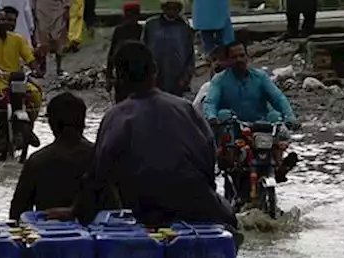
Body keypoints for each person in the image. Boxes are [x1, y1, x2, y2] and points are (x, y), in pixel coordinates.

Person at [83, 40, 235, 228]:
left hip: (146, 211)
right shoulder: (185, 109)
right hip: (198, 205)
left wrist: (75, 212)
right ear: (155, 70)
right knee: (230, 217)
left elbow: (97, 176)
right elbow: (208, 156)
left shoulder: (116, 117)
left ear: (119, 78)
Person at [9, 92, 93, 220]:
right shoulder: (100, 157)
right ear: (83, 122)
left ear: (51, 124)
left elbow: (17, 214)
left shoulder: (37, 161)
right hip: (95, 236)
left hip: (48, 236)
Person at [0, 6, 42, 148]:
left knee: (35, 93)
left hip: (16, 79)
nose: (2, 22)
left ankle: (30, 127)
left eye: (4, 19)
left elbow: (29, 57)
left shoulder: (17, 39)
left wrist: (36, 69)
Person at [201, 40, 296, 125]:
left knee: (275, 116)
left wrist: (290, 117)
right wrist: (211, 117)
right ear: (228, 60)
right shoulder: (219, 79)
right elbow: (210, 102)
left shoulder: (260, 77)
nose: (239, 60)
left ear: (247, 57)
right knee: (223, 114)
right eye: (234, 57)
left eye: (242, 55)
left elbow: (278, 98)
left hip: (260, 124)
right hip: (233, 126)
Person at [142, 0, 194, 97]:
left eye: (175, 8)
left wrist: (185, 77)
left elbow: (190, 55)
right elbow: (142, 51)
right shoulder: (151, 25)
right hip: (154, 76)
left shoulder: (184, 27)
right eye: (169, 8)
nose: (172, 11)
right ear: (163, 8)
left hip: (177, 79)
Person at [105, 1, 142, 91]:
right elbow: (111, 53)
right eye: (129, 16)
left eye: (134, 15)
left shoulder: (141, 30)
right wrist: (109, 76)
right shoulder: (119, 30)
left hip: (138, 69)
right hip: (121, 69)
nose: (132, 18)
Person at [33, 0, 68, 76]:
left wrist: (66, 6)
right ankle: (42, 68)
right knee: (42, 37)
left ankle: (59, 68)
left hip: (57, 9)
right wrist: (32, 8)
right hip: (41, 9)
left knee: (58, 38)